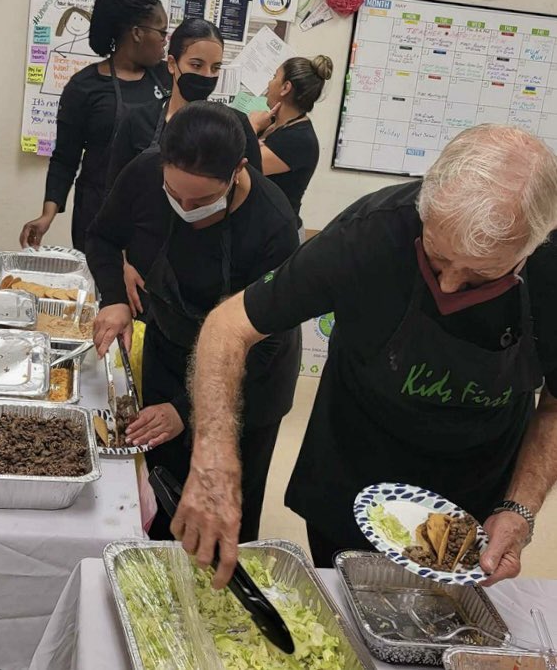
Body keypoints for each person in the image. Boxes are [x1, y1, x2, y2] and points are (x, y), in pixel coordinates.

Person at [170, 124, 557, 589]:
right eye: (436, 260)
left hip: (472, 505)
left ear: (533, 245)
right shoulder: (371, 233)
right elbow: (228, 326)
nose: (450, 287)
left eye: (479, 277)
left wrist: (520, 508)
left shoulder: (551, 270)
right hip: (351, 476)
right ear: (425, 205)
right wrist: (214, 457)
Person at [86, 103, 301, 541]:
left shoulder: (273, 226)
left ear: (238, 170)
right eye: (174, 194)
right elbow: (103, 237)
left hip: (250, 376)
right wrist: (114, 300)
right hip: (171, 346)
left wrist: (188, 410)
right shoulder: (145, 173)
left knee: (222, 514)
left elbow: (267, 343)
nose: (185, 207)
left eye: (201, 201)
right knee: (163, 495)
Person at [106, 19, 262, 317]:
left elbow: (252, 207)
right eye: (197, 64)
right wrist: (121, 266)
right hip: (143, 278)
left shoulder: (236, 128)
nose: (206, 75)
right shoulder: (138, 122)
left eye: (215, 68)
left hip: (211, 279)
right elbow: (113, 202)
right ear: (172, 63)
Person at [19, 0, 171, 252]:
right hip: (98, 213)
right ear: (137, 33)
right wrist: (47, 215)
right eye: (161, 32)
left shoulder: (169, 79)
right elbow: (65, 158)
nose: (164, 41)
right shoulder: (84, 87)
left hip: (154, 213)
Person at [249, 55, 333, 238]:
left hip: (277, 235)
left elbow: (238, 164)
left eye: (274, 76)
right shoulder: (274, 125)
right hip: (261, 229)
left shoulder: (299, 139)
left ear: (285, 88)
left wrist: (251, 126)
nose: (269, 83)